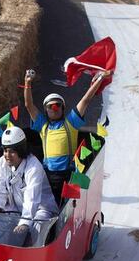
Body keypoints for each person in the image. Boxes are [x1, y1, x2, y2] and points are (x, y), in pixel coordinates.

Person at [23, 68, 108, 199]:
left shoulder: (71, 123)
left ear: (63, 108)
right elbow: (28, 105)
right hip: (48, 176)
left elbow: (85, 100)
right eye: (50, 107)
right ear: (46, 111)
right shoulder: (43, 125)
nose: (54, 108)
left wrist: (99, 80)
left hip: (68, 175)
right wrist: (27, 83)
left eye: (57, 105)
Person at [0, 126, 58, 247]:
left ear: (21, 150)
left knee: (38, 227)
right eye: (5, 150)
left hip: (40, 209)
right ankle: (0, 255)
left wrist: (25, 222)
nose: (7, 155)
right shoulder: (1, 163)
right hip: (16, 208)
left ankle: (34, 256)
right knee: (0, 222)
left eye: (12, 151)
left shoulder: (33, 167)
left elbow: (32, 198)